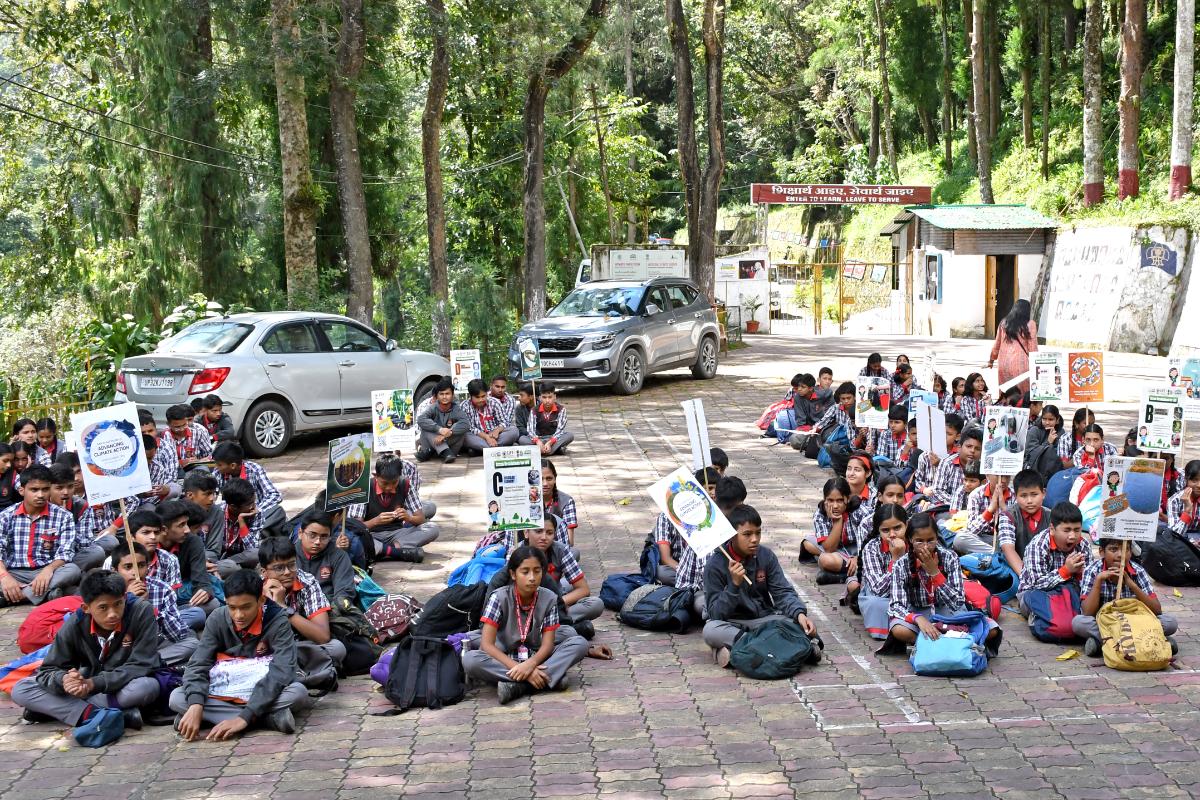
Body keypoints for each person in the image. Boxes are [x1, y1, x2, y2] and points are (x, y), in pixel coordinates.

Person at [11, 570, 160, 731]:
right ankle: (95, 714)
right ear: (86, 608)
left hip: (119, 686)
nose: (112, 614)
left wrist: (93, 684)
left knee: (146, 687)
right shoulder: (76, 622)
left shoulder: (140, 610)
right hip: (86, 687)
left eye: (118, 604)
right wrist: (65, 680)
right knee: (21, 689)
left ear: (124, 597)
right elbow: (48, 670)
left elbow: (143, 664)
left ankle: (57, 711)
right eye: (103, 607)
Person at [171, 569, 308, 739]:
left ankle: (229, 719)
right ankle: (266, 720)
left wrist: (245, 716)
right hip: (225, 690)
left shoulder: (278, 621)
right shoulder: (216, 618)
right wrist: (196, 705)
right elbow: (198, 664)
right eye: (232, 607)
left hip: (261, 690)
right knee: (177, 698)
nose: (239, 615)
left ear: (261, 600)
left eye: (246, 607)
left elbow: (281, 671)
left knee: (297, 693)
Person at [463, 545, 590, 704]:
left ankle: (519, 686)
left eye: (537, 571)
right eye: (525, 572)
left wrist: (530, 664)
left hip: (536, 655)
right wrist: (522, 669)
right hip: (506, 656)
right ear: (513, 574)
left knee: (579, 642)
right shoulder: (499, 598)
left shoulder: (549, 598)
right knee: (470, 660)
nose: (532, 577)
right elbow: (487, 645)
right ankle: (547, 678)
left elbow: (548, 645)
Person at [702, 504, 823, 668]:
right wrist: (734, 585)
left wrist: (800, 614)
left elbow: (783, 592)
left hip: (764, 620)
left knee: (798, 622)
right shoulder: (714, 566)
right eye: (747, 534)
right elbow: (716, 614)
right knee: (710, 630)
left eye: (758, 532)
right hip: (733, 624)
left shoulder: (766, 556)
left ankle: (737, 650)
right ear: (731, 536)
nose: (754, 539)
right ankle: (787, 647)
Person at [884, 512, 1001, 652]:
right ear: (910, 540)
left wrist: (935, 574)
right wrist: (917, 619)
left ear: (937, 538)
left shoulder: (950, 557)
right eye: (919, 541)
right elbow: (895, 606)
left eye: (931, 540)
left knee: (992, 628)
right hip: (919, 615)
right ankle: (955, 642)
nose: (926, 547)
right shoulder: (900, 565)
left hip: (949, 613)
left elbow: (957, 602)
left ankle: (932, 644)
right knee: (898, 630)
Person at [258, 538, 341, 691]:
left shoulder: (307, 582)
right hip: (265, 650)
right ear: (264, 572)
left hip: (298, 645)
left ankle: (294, 676)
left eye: (291, 564)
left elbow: (322, 636)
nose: (287, 572)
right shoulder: (254, 589)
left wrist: (283, 608)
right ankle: (309, 678)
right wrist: (267, 605)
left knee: (337, 648)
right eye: (279, 568)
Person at [1074, 538, 1178, 656]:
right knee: (1079, 622)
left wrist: (1132, 585)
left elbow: (1156, 610)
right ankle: (1151, 642)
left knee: (1170, 622)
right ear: (1101, 552)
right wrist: (1099, 580)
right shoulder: (1092, 571)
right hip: (1106, 624)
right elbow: (1087, 612)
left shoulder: (1138, 571)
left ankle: (1104, 644)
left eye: (1126, 550)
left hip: (1135, 623)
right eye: (1113, 549)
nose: (1120, 555)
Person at [0, 464, 80, 606]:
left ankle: (15, 596)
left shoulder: (63, 516)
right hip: (14, 572)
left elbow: (65, 553)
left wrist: (48, 570)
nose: (41, 495)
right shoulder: (6, 516)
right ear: (21, 490)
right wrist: (4, 576)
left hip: (47, 572)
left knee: (72, 570)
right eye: (34, 490)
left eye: (45, 489)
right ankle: (46, 594)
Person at [112, 539, 199, 666]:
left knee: (192, 644)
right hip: (121, 647)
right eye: (127, 567)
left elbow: (177, 634)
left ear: (148, 566)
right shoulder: (108, 591)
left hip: (153, 643)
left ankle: (143, 665)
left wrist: (148, 606)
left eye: (141, 565)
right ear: (115, 571)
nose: (135, 572)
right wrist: (128, 600)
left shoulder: (162, 589)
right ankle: (143, 665)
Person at [515, 515, 603, 632]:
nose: (544, 537)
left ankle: (557, 624)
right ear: (526, 532)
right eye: (538, 531)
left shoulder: (561, 550)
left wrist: (553, 604)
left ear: (555, 534)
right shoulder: (515, 552)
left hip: (555, 602)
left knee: (596, 604)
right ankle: (567, 626)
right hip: (527, 608)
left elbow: (583, 589)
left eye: (549, 533)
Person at [675, 476, 746, 619]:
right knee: (706, 605)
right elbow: (709, 581)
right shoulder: (709, 528)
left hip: (726, 585)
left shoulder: (733, 525)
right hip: (697, 591)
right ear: (740, 504)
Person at [345, 453, 438, 562]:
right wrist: (376, 521)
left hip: (397, 533)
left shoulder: (406, 485)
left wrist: (408, 518)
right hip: (371, 535)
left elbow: (421, 520)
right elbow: (357, 527)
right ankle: (399, 552)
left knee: (432, 528)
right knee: (351, 537)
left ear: (399, 476)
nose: (389, 487)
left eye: (394, 482)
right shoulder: (363, 489)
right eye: (384, 483)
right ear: (375, 476)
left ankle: (386, 551)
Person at [1017, 502, 1092, 617]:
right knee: (1033, 604)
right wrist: (1066, 571)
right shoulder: (1038, 546)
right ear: (1052, 529)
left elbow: (1089, 582)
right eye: (1066, 530)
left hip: (1069, 591)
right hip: (1038, 593)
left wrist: (1080, 573)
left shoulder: (1083, 545)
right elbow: (1036, 584)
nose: (1072, 536)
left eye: (1077, 530)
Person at [652, 467, 722, 586]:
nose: (713, 494)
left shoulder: (718, 513)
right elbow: (664, 558)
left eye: (716, 489)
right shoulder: (666, 517)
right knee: (661, 573)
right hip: (679, 568)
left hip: (712, 568)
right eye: (709, 489)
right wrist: (686, 573)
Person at [155, 499, 219, 627]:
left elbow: (201, 579)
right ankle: (168, 626)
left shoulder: (193, 541)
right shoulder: (148, 544)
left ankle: (167, 625)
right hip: (153, 601)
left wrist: (205, 592)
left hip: (179, 594)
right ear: (163, 530)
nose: (187, 530)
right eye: (181, 525)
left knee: (212, 604)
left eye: (187, 524)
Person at [801, 477, 866, 586]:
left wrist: (858, 558)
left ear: (848, 499)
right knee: (808, 544)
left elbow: (871, 541)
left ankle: (842, 576)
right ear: (824, 499)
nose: (835, 506)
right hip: (836, 548)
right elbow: (830, 549)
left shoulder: (860, 512)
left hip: (859, 549)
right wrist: (838, 520)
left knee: (825, 559)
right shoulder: (820, 515)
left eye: (840, 500)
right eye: (830, 500)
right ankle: (852, 568)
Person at [857, 503, 909, 638]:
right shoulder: (872, 548)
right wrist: (896, 559)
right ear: (879, 531)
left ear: (906, 525)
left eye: (898, 528)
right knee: (873, 604)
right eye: (886, 530)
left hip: (909, 596)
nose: (892, 535)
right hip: (882, 597)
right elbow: (878, 591)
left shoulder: (916, 542)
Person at [994, 469, 1050, 575]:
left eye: (1034, 494)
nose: (1029, 500)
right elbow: (1008, 549)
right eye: (1023, 496)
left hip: (1040, 571)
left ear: (1043, 493)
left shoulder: (1050, 516)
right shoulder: (1008, 515)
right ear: (1015, 497)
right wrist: (1027, 578)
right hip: (1009, 570)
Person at [212, 441, 282, 525]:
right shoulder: (218, 473)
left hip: (255, 514)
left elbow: (275, 495)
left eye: (219, 464)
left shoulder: (255, 470)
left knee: (277, 510)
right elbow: (212, 495)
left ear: (233, 465)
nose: (216, 467)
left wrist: (257, 510)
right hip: (231, 515)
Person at [294, 511, 355, 604]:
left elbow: (344, 592)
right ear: (300, 533)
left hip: (330, 608)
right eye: (312, 535)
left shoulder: (339, 556)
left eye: (324, 536)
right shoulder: (288, 555)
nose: (318, 542)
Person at [952, 473, 1013, 555]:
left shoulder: (1014, 495)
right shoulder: (976, 495)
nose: (1004, 480)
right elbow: (972, 530)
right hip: (982, 538)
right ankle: (999, 555)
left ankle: (1003, 554)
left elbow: (1016, 529)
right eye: (999, 476)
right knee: (960, 540)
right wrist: (991, 509)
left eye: (1007, 476)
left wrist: (1004, 509)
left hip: (1006, 540)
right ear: (988, 476)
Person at [212, 478, 263, 577]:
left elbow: (252, 547)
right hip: (217, 557)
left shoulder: (256, 513)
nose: (254, 507)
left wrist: (242, 522)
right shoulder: (217, 512)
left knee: (255, 554)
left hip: (240, 556)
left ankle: (229, 567)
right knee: (231, 567)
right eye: (249, 505)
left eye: (254, 502)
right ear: (233, 507)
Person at [986, 299, 1038, 394]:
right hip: (1022, 364)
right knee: (1022, 393)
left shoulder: (1004, 323)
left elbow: (997, 345)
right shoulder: (1030, 324)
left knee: (1006, 392)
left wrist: (991, 361)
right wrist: (1037, 363)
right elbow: (1033, 348)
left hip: (1004, 363)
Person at [417, 377, 469, 463]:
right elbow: (421, 420)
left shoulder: (456, 409)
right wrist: (440, 430)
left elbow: (466, 424)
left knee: (459, 427)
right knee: (426, 427)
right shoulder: (432, 407)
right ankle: (444, 451)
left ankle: (432, 451)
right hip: (443, 450)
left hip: (450, 450)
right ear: (437, 396)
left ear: (453, 395)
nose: (444, 397)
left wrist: (445, 434)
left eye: (447, 394)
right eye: (441, 394)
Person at [462, 378, 519, 455]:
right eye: (477, 397)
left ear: (487, 393)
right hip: (478, 436)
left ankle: (482, 450)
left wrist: (497, 431)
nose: (481, 400)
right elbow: (470, 428)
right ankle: (497, 449)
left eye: (483, 396)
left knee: (513, 431)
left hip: (496, 436)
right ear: (470, 396)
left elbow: (504, 422)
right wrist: (486, 437)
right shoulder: (464, 406)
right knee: (465, 436)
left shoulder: (495, 402)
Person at [912, 414, 964, 498]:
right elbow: (918, 479)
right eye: (941, 432)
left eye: (949, 434)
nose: (943, 436)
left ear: (957, 437)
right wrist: (924, 489)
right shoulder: (925, 456)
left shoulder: (959, 457)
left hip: (949, 498)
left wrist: (940, 465)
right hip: (928, 497)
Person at [931, 428, 983, 507]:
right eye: (969, 446)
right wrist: (957, 503)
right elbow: (938, 491)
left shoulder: (983, 468)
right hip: (949, 507)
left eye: (977, 449)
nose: (972, 451)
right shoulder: (947, 463)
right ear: (959, 448)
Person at [523, 382, 573, 456]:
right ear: (540, 398)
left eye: (550, 397)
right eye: (544, 397)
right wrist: (538, 442)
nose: (547, 401)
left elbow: (560, 431)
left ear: (554, 397)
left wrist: (550, 442)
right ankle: (555, 450)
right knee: (522, 439)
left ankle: (540, 450)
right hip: (539, 438)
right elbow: (530, 431)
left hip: (554, 439)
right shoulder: (534, 410)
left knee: (570, 435)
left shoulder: (561, 410)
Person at [160, 403, 213, 470]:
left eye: (184, 425)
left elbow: (210, 454)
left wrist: (200, 461)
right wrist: (182, 463)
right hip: (173, 470)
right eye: (177, 427)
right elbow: (163, 461)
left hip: (194, 469)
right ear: (168, 424)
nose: (182, 429)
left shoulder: (198, 432)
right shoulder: (164, 435)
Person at [542, 460, 577, 550]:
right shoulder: (525, 500)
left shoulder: (567, 501)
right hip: (530, 550)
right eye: (540, 479)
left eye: (549, 478)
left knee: (574, 552)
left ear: (555, 479)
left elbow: (570, 541)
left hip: (555, 549)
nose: (545, 484)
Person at [866, 405, 911, 476]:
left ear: (906, 424)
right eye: (891, 422)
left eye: (897, 422)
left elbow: (909, 463)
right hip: (888, 472)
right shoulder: (885, 434)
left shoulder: (910, 437)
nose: (893, 425)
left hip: (906, 473)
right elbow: (882, 458)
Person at [1166, 459, 1200, 541]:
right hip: (1181, 540)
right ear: (1186, 480)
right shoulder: (1174, 500)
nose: (1199, 485)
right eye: (1194, 480)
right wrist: (1187, 509)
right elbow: (1175, 535)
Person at [0, 443, 17, 510]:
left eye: (10, 461)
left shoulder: (11, 473)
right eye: (5, 461)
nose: (9, 465)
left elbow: (21, 486)